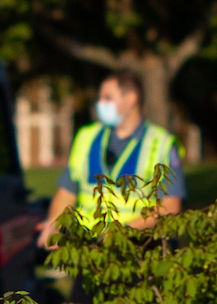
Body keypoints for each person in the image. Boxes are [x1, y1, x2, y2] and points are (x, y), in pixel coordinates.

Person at [36, 71, 184, 248]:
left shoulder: (161, 143)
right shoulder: (87, 137)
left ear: (130, 99)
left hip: (139, 248)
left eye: (107, 98)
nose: (101, 104)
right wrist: (54, 224)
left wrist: (125, 230)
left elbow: (170, 207)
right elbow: (67, 192)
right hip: (89, 245)